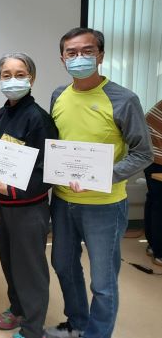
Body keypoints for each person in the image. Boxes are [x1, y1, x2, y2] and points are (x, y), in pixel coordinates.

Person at [46, 27, 153, 338]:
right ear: (62, 58)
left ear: (101, 55)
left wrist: (103, 177)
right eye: (71, 53)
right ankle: (78, 324)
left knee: (103, 282)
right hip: (63, 201)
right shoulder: (58, 95)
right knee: (64, 267)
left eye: (87, 51)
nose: (79, 57)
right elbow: (57, 145)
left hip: (104, 206)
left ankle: (97, 334)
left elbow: (143, 153)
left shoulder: (124, 99)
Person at [0, 53, 57, 338]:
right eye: (6, 75)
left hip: (29, 207)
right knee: (9, 262)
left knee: (30, 268)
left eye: (19, 74)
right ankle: (17, 309)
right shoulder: (3, 113)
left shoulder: (39, 118)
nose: (12, 80)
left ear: (32, 78)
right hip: (5, 205)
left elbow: (47, 171)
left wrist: (14, 189)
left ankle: (32, 327)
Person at [144, 100, 162, 266]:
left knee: (155, 201)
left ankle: (153, 245)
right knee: (159, 204)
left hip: (150, 156)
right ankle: (159, 252)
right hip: (157, 158)